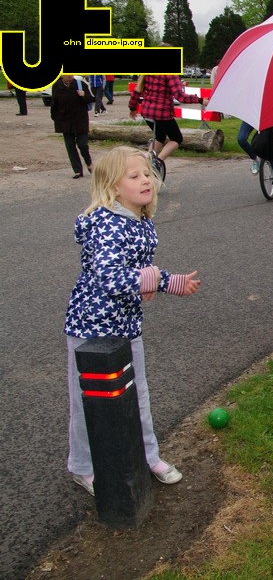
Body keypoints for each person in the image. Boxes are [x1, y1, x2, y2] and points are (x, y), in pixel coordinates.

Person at [65, 145, 200, 496]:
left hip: (125, 324)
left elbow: (139, 271)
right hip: (91, 327)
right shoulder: (107, 225)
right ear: (113, 187)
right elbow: (111, 278)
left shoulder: (140, 221)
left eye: (147, 174)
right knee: (86, 400)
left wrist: (167, 281)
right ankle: (82, 466)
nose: (146, 180)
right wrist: (152, 279)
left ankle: (148, 456)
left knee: (137, 394)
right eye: (134, 176)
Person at [128, 75, 203, 166]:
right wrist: (201, 100)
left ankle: (146, 161)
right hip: (162, 113)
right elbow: (180, 97)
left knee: (159, 136)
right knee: (176, 138)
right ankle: (157, 163)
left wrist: (132, 108)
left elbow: (137, 90)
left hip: (147, 112)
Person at [50, 74, 95, 179]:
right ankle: (77, 170)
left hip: (80, 120)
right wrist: (55, 117)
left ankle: (89, 163)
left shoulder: (81, 84)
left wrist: (84, 95)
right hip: (64, 120)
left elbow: (90, 99)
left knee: (82, 144)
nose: (70, 75)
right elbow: (54, 103)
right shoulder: (57, 86)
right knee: (70, 146)